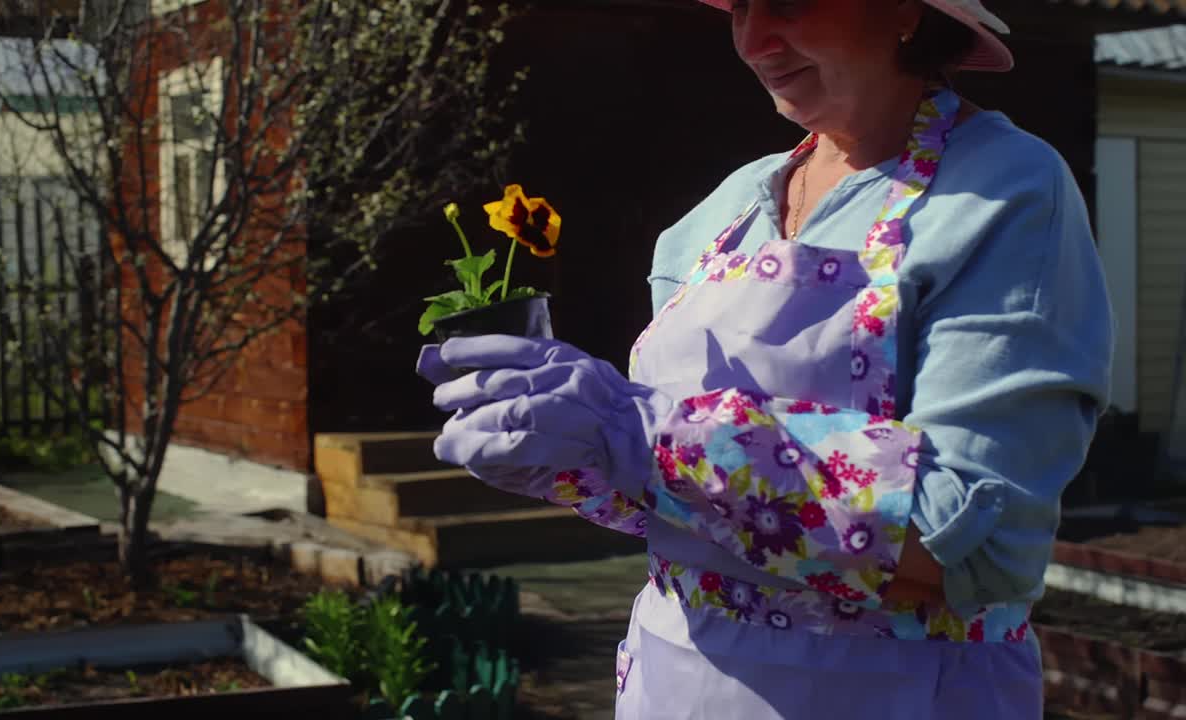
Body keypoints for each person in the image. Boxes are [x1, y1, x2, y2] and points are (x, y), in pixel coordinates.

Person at [417, 0, 1113, 717]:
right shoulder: (719, 218)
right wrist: (579, 458)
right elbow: (686, 510)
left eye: (788, 2)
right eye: (739, 7)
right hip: (672, 684)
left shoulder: (1004, 192)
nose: (753, 39)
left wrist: (643, 438)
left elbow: (962, 548)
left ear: (904, 11)